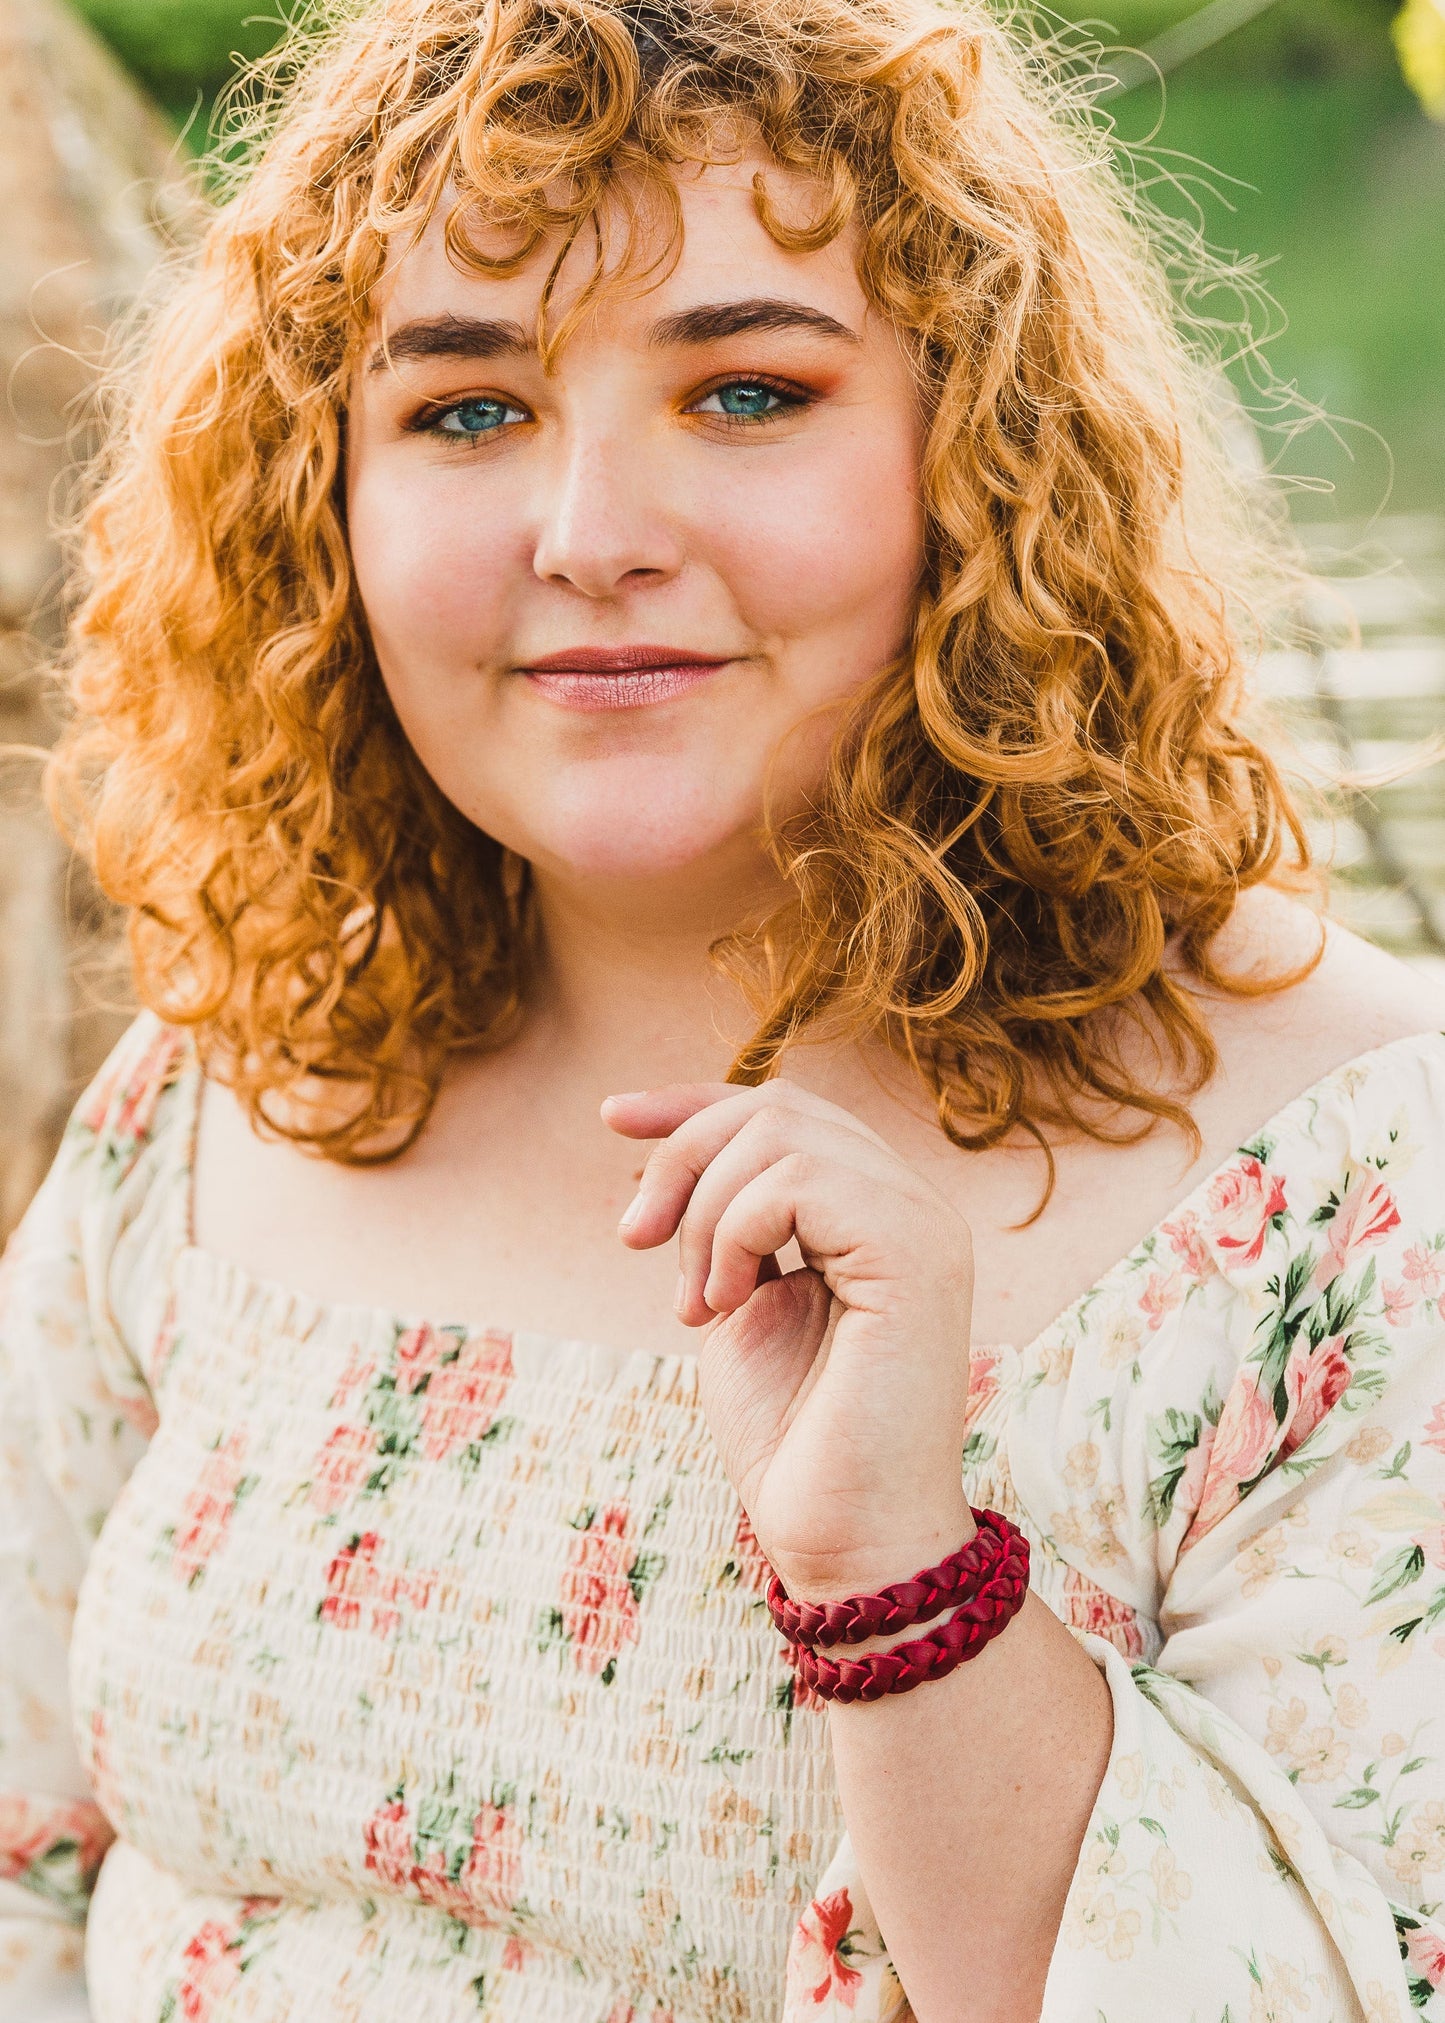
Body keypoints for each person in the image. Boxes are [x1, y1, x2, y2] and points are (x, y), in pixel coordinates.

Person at [3, 0, 1444, 2017]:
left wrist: (897, 1573)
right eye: (468, 411)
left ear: (979, 443)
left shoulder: (1353, 1188)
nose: (594, 538)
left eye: (749, 392)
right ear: (320, 499)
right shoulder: (225, 1095)